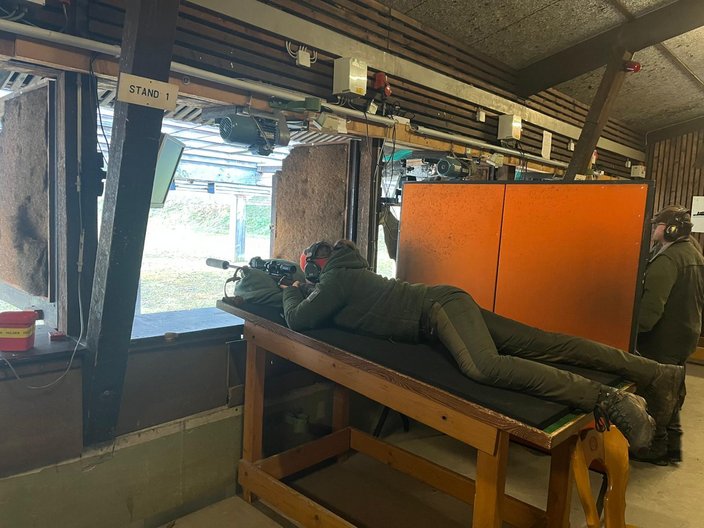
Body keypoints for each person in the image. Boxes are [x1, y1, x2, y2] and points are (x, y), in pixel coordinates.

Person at [280, 239, 685, 453]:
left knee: (484, 366)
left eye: (309, 267)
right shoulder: (349, 273)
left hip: (437, 310)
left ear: (316, 263)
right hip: (446, 301)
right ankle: (653, 372)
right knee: (544, 344)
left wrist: (289, 289)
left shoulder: (337, 279)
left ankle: (610, 400)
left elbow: (299, 319)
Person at [635, 205, 704, 464]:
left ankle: (657, 448)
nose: (654, 228)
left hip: (663, 338)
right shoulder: (693, 252)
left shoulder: (668, 260)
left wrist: (630, 331)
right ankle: (672, 446)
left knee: (658, 392)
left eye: (658, 225)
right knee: (674, 389)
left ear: (672, 229)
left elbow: (650, 313)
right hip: (686, 334)